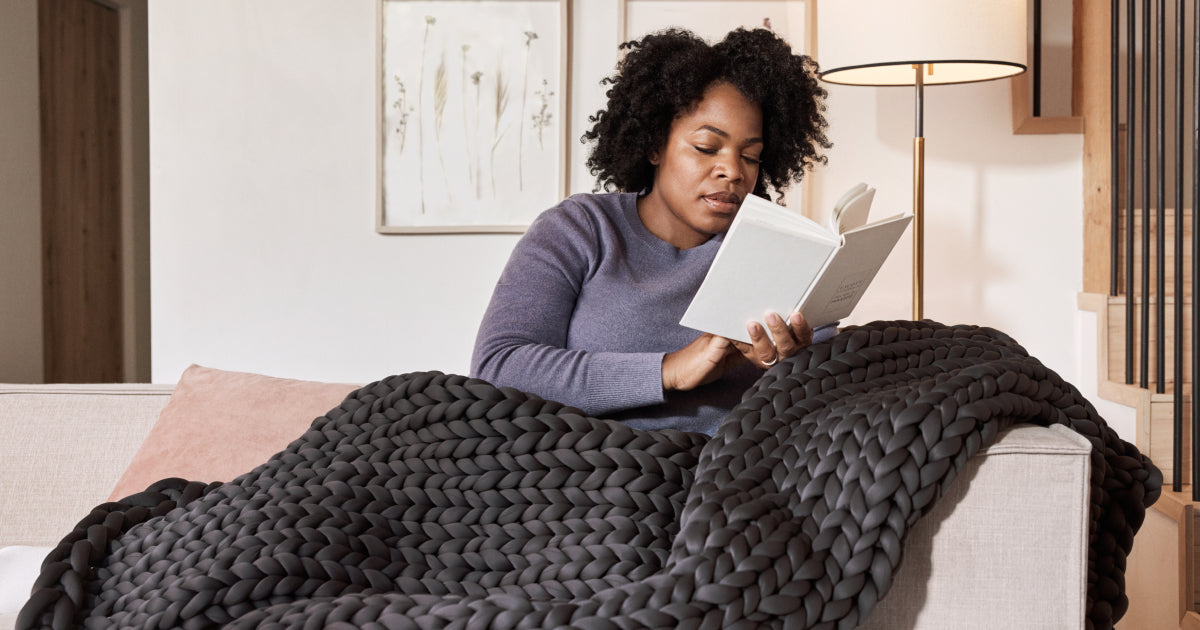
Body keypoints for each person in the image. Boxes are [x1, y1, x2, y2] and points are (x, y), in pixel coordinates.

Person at [470, 27, 833, 435]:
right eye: (707, 148)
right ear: (655, 145)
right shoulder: (580, 230)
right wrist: (670, 370)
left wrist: (793, 369)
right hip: (587, 482)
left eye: (750, 156)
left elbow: (827, 403)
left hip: (736, 481)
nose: (733, 170)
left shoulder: (779, 254)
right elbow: (498, 366)